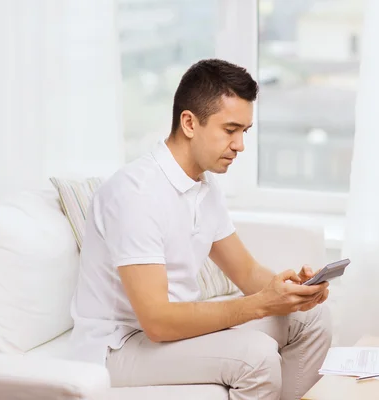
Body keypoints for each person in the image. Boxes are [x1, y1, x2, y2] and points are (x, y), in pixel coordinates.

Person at [69, 59, 332, 400]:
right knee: (256, 357)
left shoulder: (202, 187)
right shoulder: (136, 194)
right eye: (230, 130)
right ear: (190, 123)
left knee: (312, 319)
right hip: (119, 346)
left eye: (244, 132)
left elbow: (247, 271)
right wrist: (261, 305)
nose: (240, 145)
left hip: (172, 336)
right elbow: (158, 321)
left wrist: (291, 292)